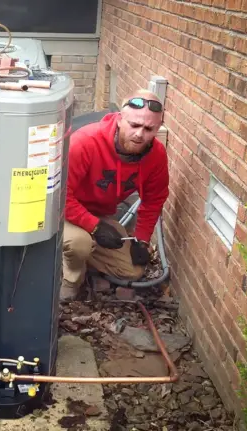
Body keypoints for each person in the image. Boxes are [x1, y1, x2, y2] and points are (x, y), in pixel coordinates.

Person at [61, 89, 169, 301]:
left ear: (157, 128)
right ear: (120, 120)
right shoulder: (85, 142)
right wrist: (94, 227)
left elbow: (154, 199)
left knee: (133, 271)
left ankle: (74, 258)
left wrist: (142, 240)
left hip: (99, 216)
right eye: (134, 125)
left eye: (148, 129)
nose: (140, 134)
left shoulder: (156, 155)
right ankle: (70, 279)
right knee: (79, 243)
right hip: (62, 214)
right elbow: (60, 196)